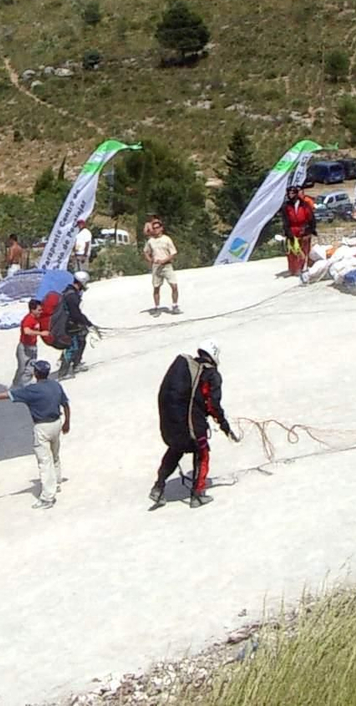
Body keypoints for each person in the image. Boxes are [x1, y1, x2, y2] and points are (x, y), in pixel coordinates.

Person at [150, 342, 237, 508]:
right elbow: (213, 404)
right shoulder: (210, 375)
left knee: (176, 449)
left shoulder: (192, 369)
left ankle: (158, 486)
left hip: (178, 422)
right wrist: (224, 425)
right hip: (194, 423)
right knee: (202, 452)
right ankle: (197, 495)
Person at [0, 360, 71, 509]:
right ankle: (57, 483)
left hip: (42, 428)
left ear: (36, 373)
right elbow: (65, 404)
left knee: (44, 462)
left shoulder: (31, 390)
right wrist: (67, 423)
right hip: (57, 423)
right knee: (55, 455)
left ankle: (47, 497)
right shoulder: (55, 385)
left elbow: (8, 395)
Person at [54, 271, 98, 379]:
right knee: (72, 346)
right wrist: (87, 323)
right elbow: (75, 313)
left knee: (81, 340)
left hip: (70, 322)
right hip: (69, 324)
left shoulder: (69, 291)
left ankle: (76, 363)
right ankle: (63, 373)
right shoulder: (72, 296)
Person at [143, 216, 180, 313]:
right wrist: (150, 260)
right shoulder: (150, 241)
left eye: (157, 228)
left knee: (174, 286)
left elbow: (173, 253)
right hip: (156, 267)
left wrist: (165, 260)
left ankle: (175, 305)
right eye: (154, 228)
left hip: (167, 265)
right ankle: (157, 307)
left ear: (161, 228)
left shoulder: (167, 239)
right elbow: (146, 252)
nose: (156, 230)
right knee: (156, 287)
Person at [280, 185, 317, 277]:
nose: (290, 195)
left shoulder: (305, 205)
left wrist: (309, 231)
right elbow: (285, 221)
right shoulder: (286, 206)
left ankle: (301, 268)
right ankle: (292, 269)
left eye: (292, 193)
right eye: (289, 193)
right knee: (292, 250)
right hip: (292, 229)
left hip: (303, 229)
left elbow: (311, 219)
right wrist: (288, 233)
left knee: (303, 250)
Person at [13, 299, 51, 387]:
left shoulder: (38, 318)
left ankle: (25, 386)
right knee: (22, 368)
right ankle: (15, 386)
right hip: (24, 348)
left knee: (30, 369)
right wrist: (41, 333)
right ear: (32, 310)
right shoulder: (28, 319)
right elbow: (26, 331)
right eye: (39, 310)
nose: (41, 312)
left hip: (33, 347)